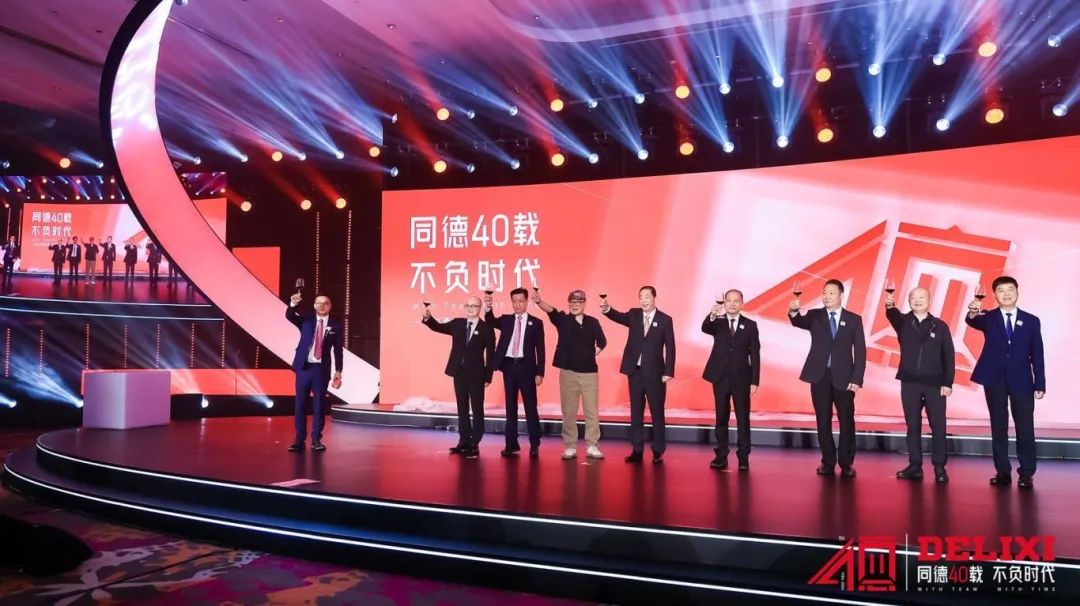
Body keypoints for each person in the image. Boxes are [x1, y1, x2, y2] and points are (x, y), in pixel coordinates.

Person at [966, 276, 1045, 489]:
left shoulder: (1031, 320)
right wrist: (972, 311)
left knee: (1025, 426)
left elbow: (1037, 353)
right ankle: (1002, 471)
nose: (1006, 294)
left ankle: (1026, 473)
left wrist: (1040, 383)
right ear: (995, 295)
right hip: (994, 378)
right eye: (1001, 291)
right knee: (998, 425)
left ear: (1017, 292)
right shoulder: (987, 317)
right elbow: (972, 320)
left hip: (1022, 379)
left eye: (1010, 289)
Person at [789, 279, 866, 477]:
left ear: (841, 295)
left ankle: (846, 463)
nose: (827, 296)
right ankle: (827, 462)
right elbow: (798, 321)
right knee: (823, 419)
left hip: (845, 378)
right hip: (819, 376)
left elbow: (860, 352)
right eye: (824, 293)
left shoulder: (854, 319)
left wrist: (857, 379)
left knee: (846, 420)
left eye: (831, 293)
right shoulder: (815, 316)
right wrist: (794, 312)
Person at [885, 287, 955, 483]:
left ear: (929, 300)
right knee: (912, 425)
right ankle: (914, 465)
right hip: (910, 382)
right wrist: (889, 305)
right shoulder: (903, 322)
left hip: (935, 383)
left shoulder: (940, 326)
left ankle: (939, 467)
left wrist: (948, 382)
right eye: (913, 297)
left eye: (921, 297)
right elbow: (892, 314)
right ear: (908, 301)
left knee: (938, 426)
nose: (917, 300)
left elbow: (949, 356)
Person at [601, 286, 675, 464]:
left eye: (647, 297)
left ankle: (658, 450)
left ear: (654, 298)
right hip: (635, 372)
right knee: (636, 412)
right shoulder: (634, 315)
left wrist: (668, 371)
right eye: (641, 297)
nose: (643, 300)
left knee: (657, 412)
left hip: (656, 374)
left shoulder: (665, 319)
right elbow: (619, 317)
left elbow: (671, 347)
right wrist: (607, 309)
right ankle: (637, 449)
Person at [533, 288, 607, 460]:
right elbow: (551, 310)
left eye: (578, 302)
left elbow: (602, 342)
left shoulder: (593, 322)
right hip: (568, 373)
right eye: (572, 302)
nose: (574, 305)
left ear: (584, 303)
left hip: (589, 374)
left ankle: (592, 445)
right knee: (569, 412)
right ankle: (570, 446)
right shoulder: (563, 320)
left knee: (591, 411)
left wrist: (590, 355)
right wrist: (539, 301)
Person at [423, 296, 495, 458]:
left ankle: (474, 443)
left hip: (477, 375)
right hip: (459, 373)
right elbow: (437, 327)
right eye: (468, 305)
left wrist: (488, 377)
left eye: (474, 306)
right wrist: (428, 318)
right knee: (462, 408)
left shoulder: (486, 329)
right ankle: (463, 441)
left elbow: (491, 355)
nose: (470, 308)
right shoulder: (457, 323)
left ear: (480, 308)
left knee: (477, 409)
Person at [702, 289, 760, 471]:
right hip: (720, 377)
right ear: (724, 303)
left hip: (742, 378)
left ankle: (743, 457)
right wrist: (712, 314)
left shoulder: (750, 325)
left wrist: (755, 380)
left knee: (743, 418)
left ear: (742, 303)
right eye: (729, 300)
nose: (732, 304)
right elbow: (705, 327)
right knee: (721, 417)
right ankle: (721, 455)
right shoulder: (717, 322)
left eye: (736, 301)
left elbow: (755, 354)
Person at [484, 288, 546, 458]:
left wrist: (540, 372)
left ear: (526, 301)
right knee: (510, 408)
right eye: (514, 301)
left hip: (527, 368)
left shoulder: (536, 323)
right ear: (511, 302)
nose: (518, 304)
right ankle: (511, 444)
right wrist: (488, 306)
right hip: (509, 367)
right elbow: (490, 321)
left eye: (521, 301)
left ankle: (534, 444)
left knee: (530, 407)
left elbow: (540, 349)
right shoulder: (506, 320)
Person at [286, 292, 343, 452]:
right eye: (319, 303)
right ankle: (299, 439)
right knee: (300, 404)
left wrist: (338, 371)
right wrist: (292, 304)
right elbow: (290, 316)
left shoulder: (336, 324)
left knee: (319, 405)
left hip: (321, 369)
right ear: (314, 305)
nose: (322, 306)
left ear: (330, 306)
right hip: (304, 368)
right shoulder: (306, 320)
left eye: (325, 303)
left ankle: (316, 439)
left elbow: (338, 349)